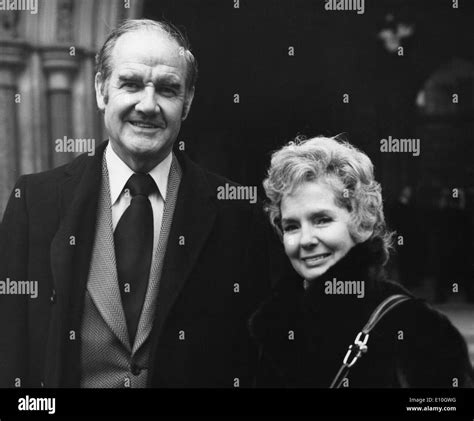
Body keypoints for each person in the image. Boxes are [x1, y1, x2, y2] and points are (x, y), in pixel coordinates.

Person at [0, 19, 289, 388]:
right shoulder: (35, 202)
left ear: (187, 103)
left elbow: (254, 360)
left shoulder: (236, 212)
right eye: (131, 84)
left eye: (168, 89)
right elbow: (9, 354)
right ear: (101, 89)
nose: (148, 105)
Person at [249, 136, 474, 388]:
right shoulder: (272, 324)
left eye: (322, 220)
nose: (305, 240)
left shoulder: (421, 329)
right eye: (291, 226)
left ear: (362, 222)